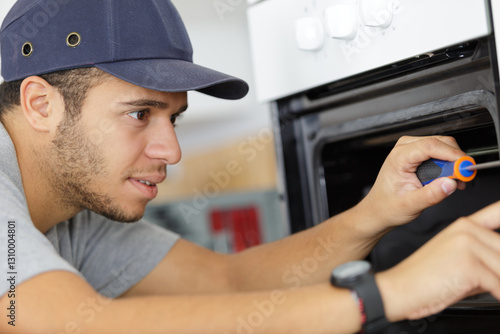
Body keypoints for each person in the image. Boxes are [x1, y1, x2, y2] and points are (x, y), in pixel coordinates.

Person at [0, 0, 499, 333]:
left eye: (173, 117)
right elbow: (62, 324)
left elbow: (230, 285)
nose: (171, 152)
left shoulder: (75, 209)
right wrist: (391, 293)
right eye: (139, 113)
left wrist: (378, 211)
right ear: (41, 105)